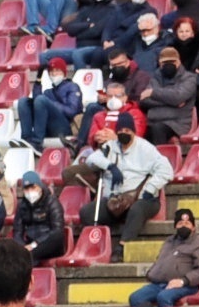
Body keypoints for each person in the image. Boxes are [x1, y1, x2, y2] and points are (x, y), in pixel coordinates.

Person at [74, 112, 172, 262]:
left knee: (137, 210)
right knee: (87, 212)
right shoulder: (111, 146)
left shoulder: (146, 148)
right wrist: (110, 166)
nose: (123, 133)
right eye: (120, 130)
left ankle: (121, 247)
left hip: (143, 198)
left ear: (133, 131)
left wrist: (151, 188)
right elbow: (92, 159)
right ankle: (100, 241)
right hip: (117, 199)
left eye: (127, 130)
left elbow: (166, 170)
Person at [18, 57, 84, 152]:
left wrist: (51, 104)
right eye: (51, 71)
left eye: (57, 70)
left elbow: (72, 111)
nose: (53, 74)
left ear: (64, 72)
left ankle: (37, 142)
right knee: (23, 101)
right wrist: (38, 79)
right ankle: (26, 139)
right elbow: (37, 102)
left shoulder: (73, 87)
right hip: (49, 126)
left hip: (65, 127)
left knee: (41, 99)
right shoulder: (48, 92)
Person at [141, 46, 197, 145]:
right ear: (160, 64)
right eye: (165, 62)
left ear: (179, 62)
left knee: (158, 129)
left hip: (177, 123)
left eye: (172, 61)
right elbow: (144, 100)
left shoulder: (189, 78)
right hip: (153, 121)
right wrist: (171, 101)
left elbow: (178, 97)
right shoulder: (155, 77)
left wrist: (153, 93)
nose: (168, 65)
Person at [12, 172, 68, 266]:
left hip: (49, 242)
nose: (30, 191)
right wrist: (22, 246)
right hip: (29, 243)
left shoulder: (52, 202)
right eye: (26, 189)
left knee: (28, 256)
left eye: (33, 187)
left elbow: (57, 230)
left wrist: (35, 244)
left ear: (40, 186)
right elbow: (17, 231)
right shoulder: (22, 205)